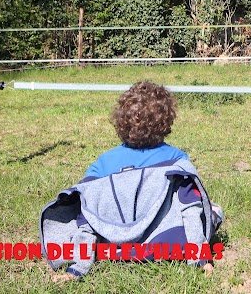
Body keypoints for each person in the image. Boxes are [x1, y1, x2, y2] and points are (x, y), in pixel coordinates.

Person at [40, 81, 223, 280]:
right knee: (213, 209)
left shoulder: (102, 164)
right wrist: (200, 259)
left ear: (121, 121)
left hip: (110, 246)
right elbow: (191, 210)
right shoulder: (177, 161)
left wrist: (78, 267)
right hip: (167, 244)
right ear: (166, 122)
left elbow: (88, 216)